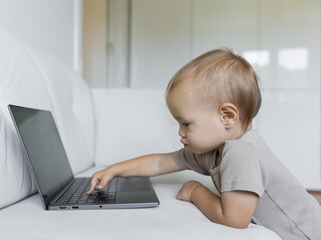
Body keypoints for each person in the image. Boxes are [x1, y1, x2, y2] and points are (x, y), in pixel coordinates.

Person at [87, 48, 321, 239]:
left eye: (186, 124)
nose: (180, 132)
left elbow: (234, 221)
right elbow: (160, 162)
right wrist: (114, 170)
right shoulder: (213, 150)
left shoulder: (241, 152)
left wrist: (195, 190)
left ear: (227, 116)